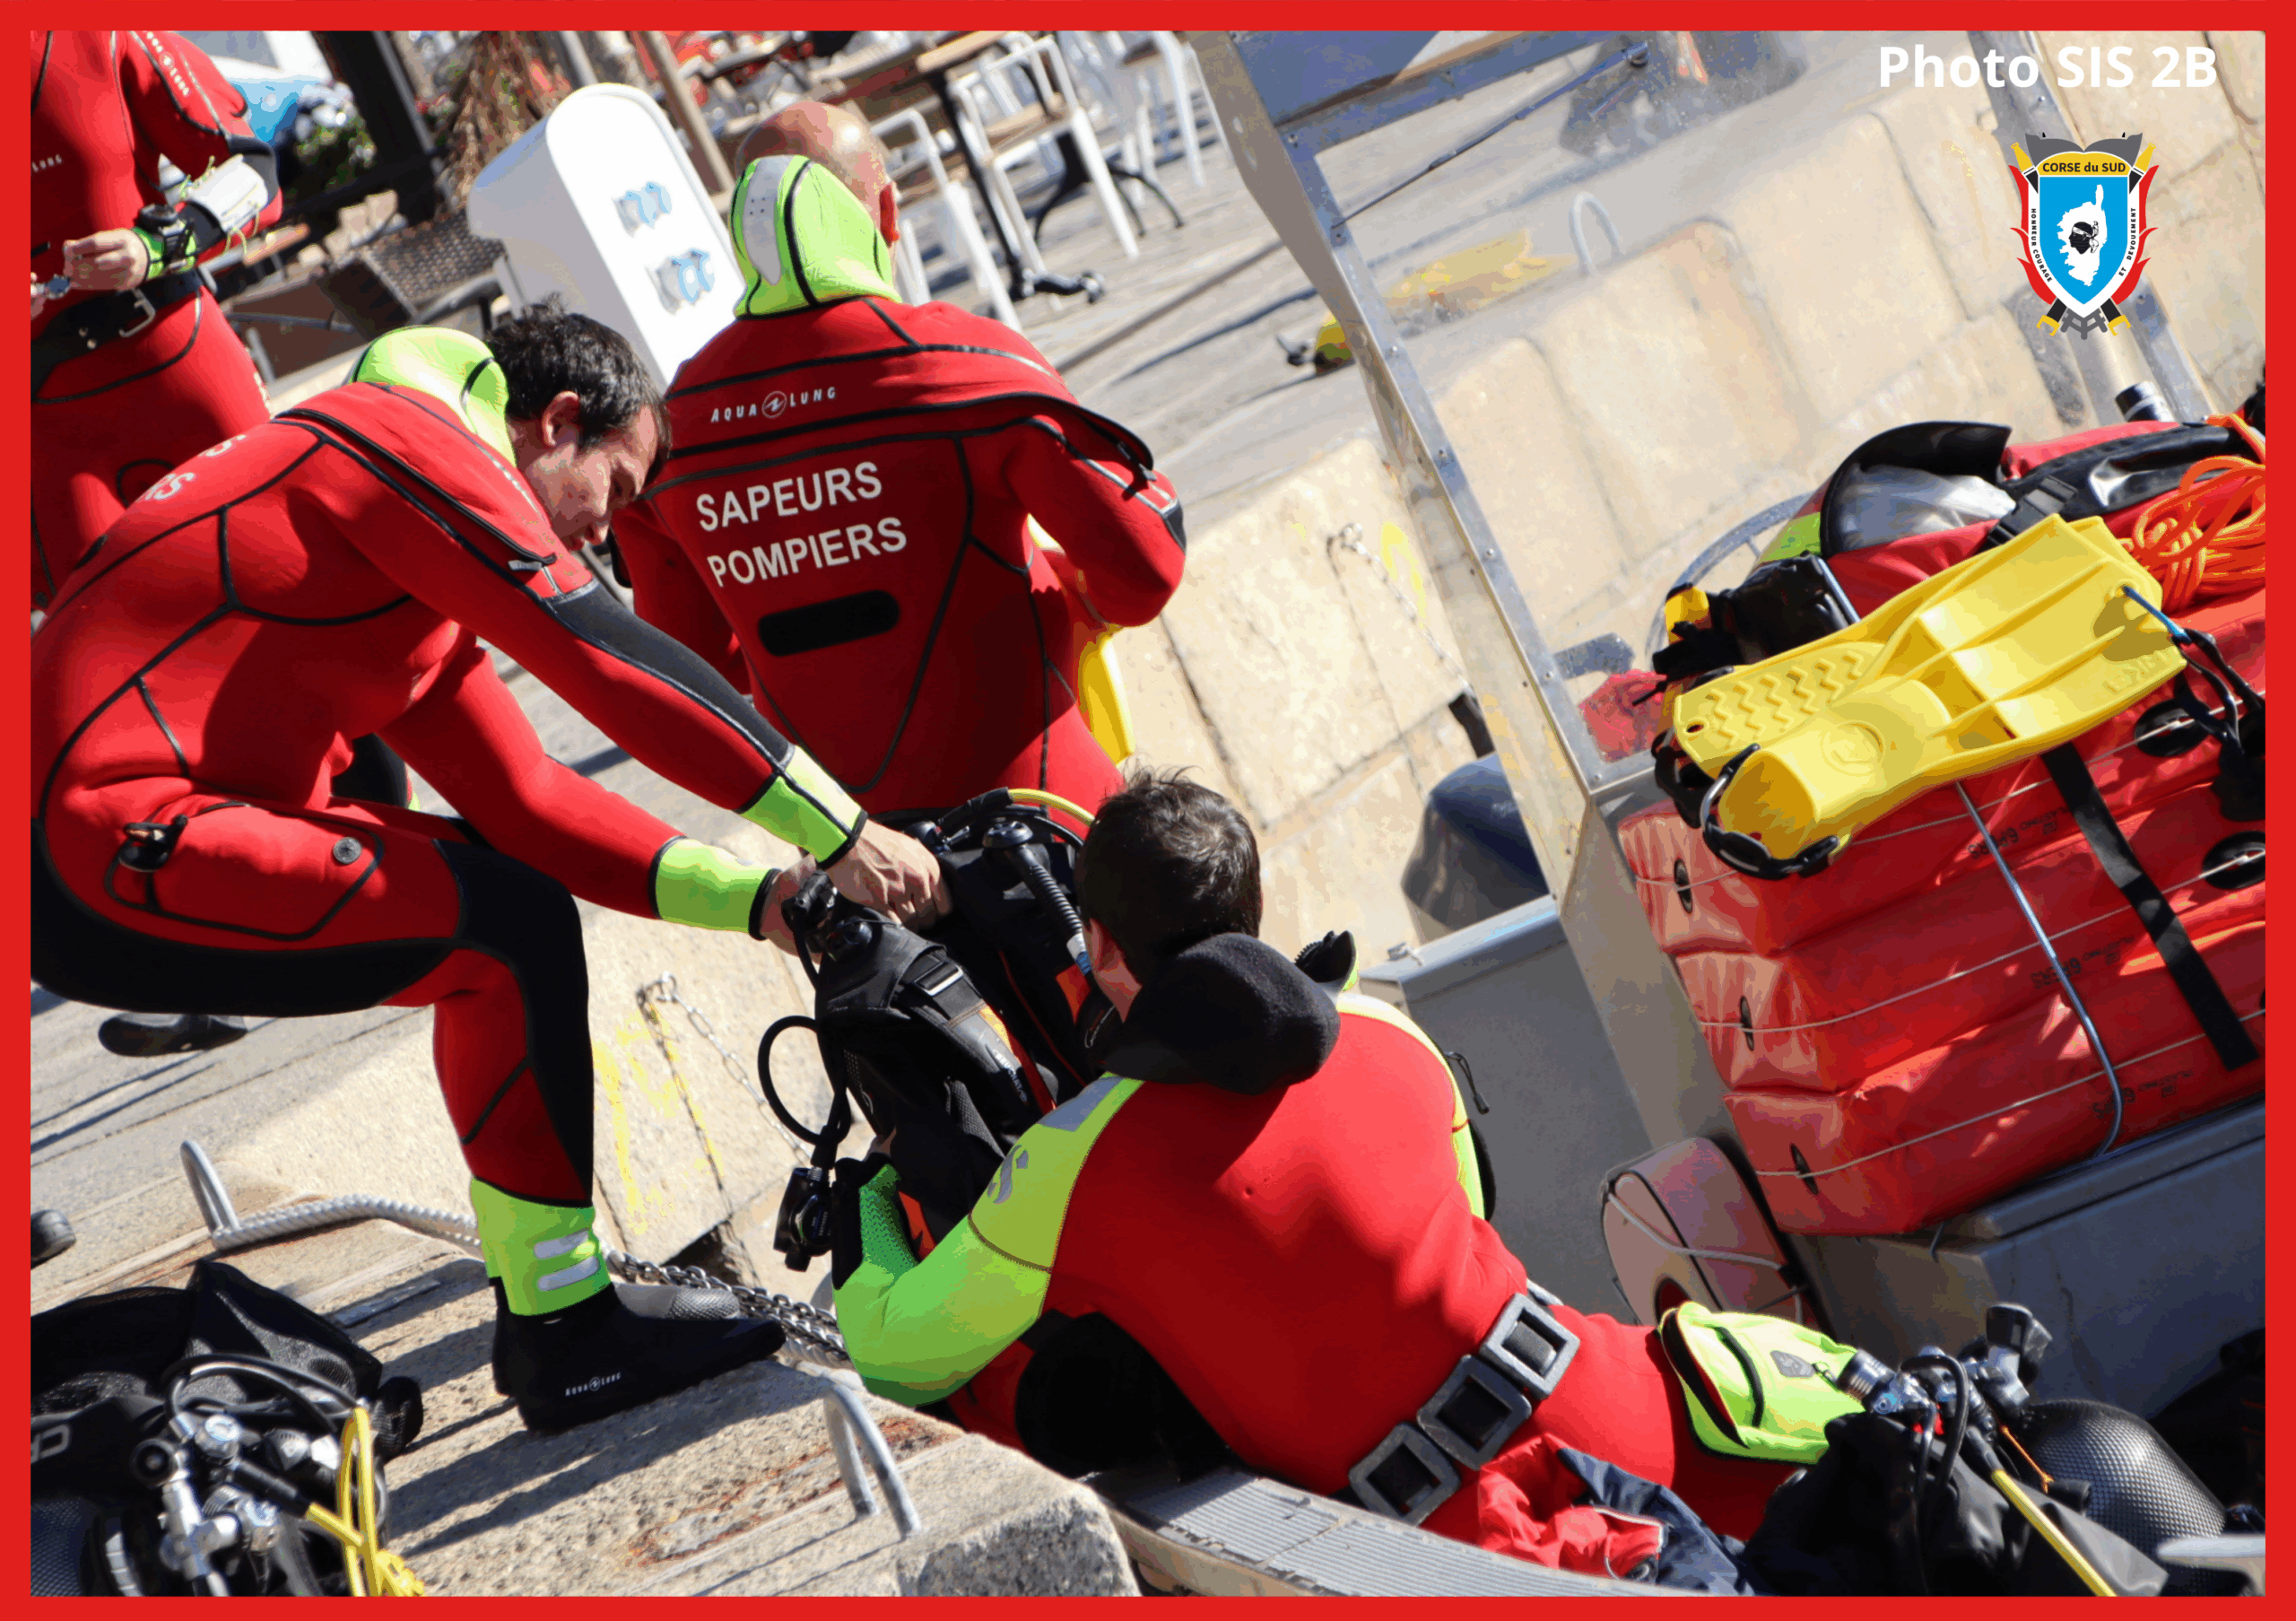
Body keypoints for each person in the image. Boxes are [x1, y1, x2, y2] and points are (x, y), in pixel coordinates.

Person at [31, 307, 946, 1433]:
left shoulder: (404, 522)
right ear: (557, 423)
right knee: (501, 933)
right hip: (97, 842)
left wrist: (763, 901)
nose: (606, 538)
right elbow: (606, 658)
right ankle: (563, 1330)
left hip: (114, 835)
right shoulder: (406, 445)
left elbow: (533, 802)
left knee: (506, 901)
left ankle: (555, 1308)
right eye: (612, 493)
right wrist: (843, 828)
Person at [828, 771, 1796, 1579]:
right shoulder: (1387, 1029)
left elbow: (894, 1352)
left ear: (1103, 944)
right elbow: (1464, 1207)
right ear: (1248, 908)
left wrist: (870, 1201)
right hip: (1649, 1418)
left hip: (1474, 1543)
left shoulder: (1071, 1164)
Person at [611, 101, 1187, 829]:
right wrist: (1068, 602)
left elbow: (696, 664)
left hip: (859, 857)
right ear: (886, 212)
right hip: (1046, 815)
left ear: (746, 234)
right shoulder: (961, 365)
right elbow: (1146, 567)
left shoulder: (675, 426)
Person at [30, 29, 283, 615]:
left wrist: (158, 246)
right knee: (113, 650)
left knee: (301, 581)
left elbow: (253, 169)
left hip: (179, 367)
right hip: (47, 425)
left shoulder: (100, 33)